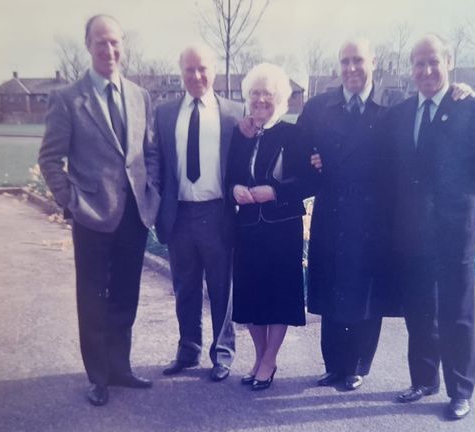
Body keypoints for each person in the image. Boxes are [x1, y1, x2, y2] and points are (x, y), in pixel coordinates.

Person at [37, 14, 160, 407]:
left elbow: (150, 152)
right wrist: (71, 201)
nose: (109, 50)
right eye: (101, 42)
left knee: (126, 294)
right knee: (91, 298)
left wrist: (150, 193)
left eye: (115, 42)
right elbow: (50, 159)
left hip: (133, 216)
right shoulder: (68, 99)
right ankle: (98, 377)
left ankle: (120, 368)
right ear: (88, 46)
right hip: (91, 215)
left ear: (123, 46)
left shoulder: (140, 96)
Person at [381, 34, 475, 420]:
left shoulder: (472, 109)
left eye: (433, 62)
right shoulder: (400, 115)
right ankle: (423, 380)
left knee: (456, 313)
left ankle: (460, 390)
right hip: (412, 234)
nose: (426, 70)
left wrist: (465, 206)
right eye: (419, 63)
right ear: (411, 68)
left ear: (448, 62)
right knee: (418, 310)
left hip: (453, 231)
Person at [298, 37, 394, 391]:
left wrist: (460, 91)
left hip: (372, 219)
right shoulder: (321, 106)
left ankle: (356, 366)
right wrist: (310, 159)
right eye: (345, 62)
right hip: (333, 213)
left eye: (358, 61)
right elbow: (297, 147)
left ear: (373, 63)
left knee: (364, 296)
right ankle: (334, 365)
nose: (351, 69)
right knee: (333, 291)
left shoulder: (392, 108)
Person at [154, 43, 241, 382]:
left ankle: (222, 354)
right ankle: (188, 350)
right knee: (185, 287)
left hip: (217, 213)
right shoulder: (164, 113)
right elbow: (158, 164)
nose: (197, 75)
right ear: (181, 72)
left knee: (221, 288)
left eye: (203, 68)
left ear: (214, 71)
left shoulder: (234, 113)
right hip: (180, 216)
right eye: (189, 69)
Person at [226, 63, 314, 390]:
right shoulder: (243, 133)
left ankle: (269, 359)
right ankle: (261, 356)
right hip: (247, 226)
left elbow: (311, 179)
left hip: (282, 228)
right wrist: (234, 188)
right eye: (255, 93)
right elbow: (231, 173)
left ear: (280, 99)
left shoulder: (294, 134)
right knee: (251, 296)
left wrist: (275, 192)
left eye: (267, 93)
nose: (261, 99)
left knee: (277, 296)